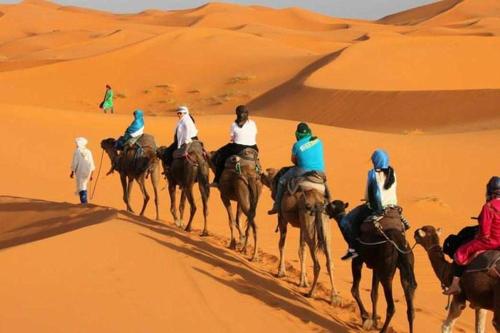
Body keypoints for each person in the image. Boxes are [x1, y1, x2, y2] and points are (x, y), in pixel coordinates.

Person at [339, 149, 410, 261]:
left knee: (346, 221)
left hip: (377, 208)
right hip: (393, 207)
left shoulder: (372, 174)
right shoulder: (393, 173)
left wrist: (367, 200)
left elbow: (368, 195)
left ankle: (353, 249)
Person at [444, 176, 500, 295]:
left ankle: (455, 285)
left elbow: (485, 232)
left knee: (461, 252)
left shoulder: (488, 207)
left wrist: (479, 236)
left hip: (491, 241)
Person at [268, 122, 325, 215]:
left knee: (282, 180)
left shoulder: (297, 145)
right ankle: (330, 202)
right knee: (324, 183)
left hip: (302, 170)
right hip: (320, 172)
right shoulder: (318, 141)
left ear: (297, 135)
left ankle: (277, 205)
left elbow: (293, 160)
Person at [211, 105, 258, 187]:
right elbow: (255, 133)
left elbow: (232, 138)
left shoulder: (234, 124)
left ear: (237, 114)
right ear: (247, 114)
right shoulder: (253, 123)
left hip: (237, 148)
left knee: (220, 156)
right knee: (256, 160)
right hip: (253, 147)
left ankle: (217, 180)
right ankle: (259, 175)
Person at [70, 137, 95, 204]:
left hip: (80, 171)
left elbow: (75, 163)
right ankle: (84, 202)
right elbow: (91, 163)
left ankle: (84, 202)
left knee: (81, 186)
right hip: (88, 171)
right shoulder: (88, 151)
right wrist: (91, 174)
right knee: (84, 185)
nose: (76, 144)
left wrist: (72, 172)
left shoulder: (77, 151)